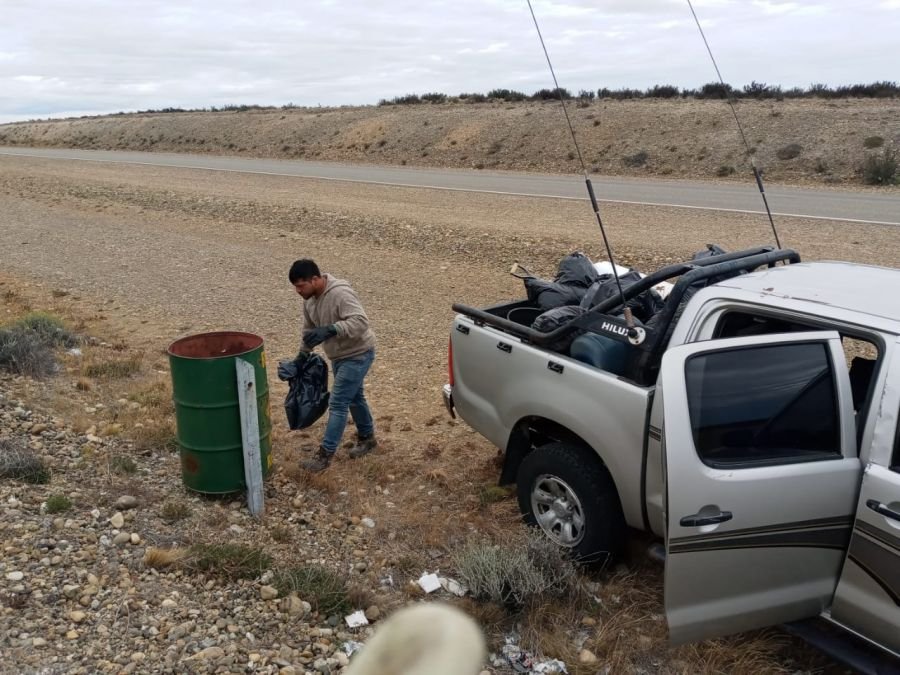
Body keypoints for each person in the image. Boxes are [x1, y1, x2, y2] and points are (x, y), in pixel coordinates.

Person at [289, 259, 377, 472]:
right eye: (295, 287)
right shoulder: (309, 300)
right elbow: (308, 331)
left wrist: (332, 329)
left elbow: (361, 321)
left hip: (358, 354)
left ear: (315, 279)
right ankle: (367, 438)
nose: (298, 291)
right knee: (354, 397)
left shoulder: (340, 293)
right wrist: (301, 358)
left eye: (301, 286)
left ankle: (324, 456)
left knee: (338, 403)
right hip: (338, 357)